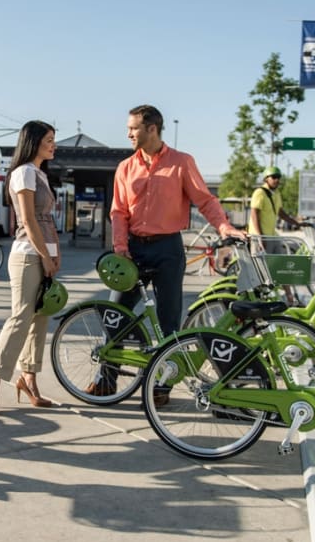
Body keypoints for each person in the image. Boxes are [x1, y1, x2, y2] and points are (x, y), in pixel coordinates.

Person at [104, 104, 246, 402]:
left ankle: (162, 386)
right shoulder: (125, 168)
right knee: (116, 315)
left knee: (169, 321)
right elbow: (118, 212)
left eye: (133, 128)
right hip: (132, 248)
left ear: (151, 128)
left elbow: (205, 201)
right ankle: (106, 379)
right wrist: (120, 247)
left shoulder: (181, 163)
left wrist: (224, 228)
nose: (129, 133)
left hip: (168, 248)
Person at [0, 120, 60, 413]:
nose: (54, 145)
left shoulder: (39, 174)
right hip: (27, 254)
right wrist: (46, 255)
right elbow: (28, 220)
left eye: (54, 139)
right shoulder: (24, 173)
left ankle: (29, 379)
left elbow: (48, 220)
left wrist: (56, 253)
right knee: (21, 317)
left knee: (40, 318)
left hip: (44, 254)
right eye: (49, 139)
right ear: (33, 141)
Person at [247, 166, 302, 251]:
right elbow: (254, 215)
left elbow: (281, 213)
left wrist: (297, 223)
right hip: (260, 236)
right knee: (262, 263)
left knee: (278, 260)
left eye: (278, 177)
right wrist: (260, 236)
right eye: (274, 177)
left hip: (272, 235)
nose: (277, 180)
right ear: (266, 179)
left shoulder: (276, 193)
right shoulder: (260, 193)